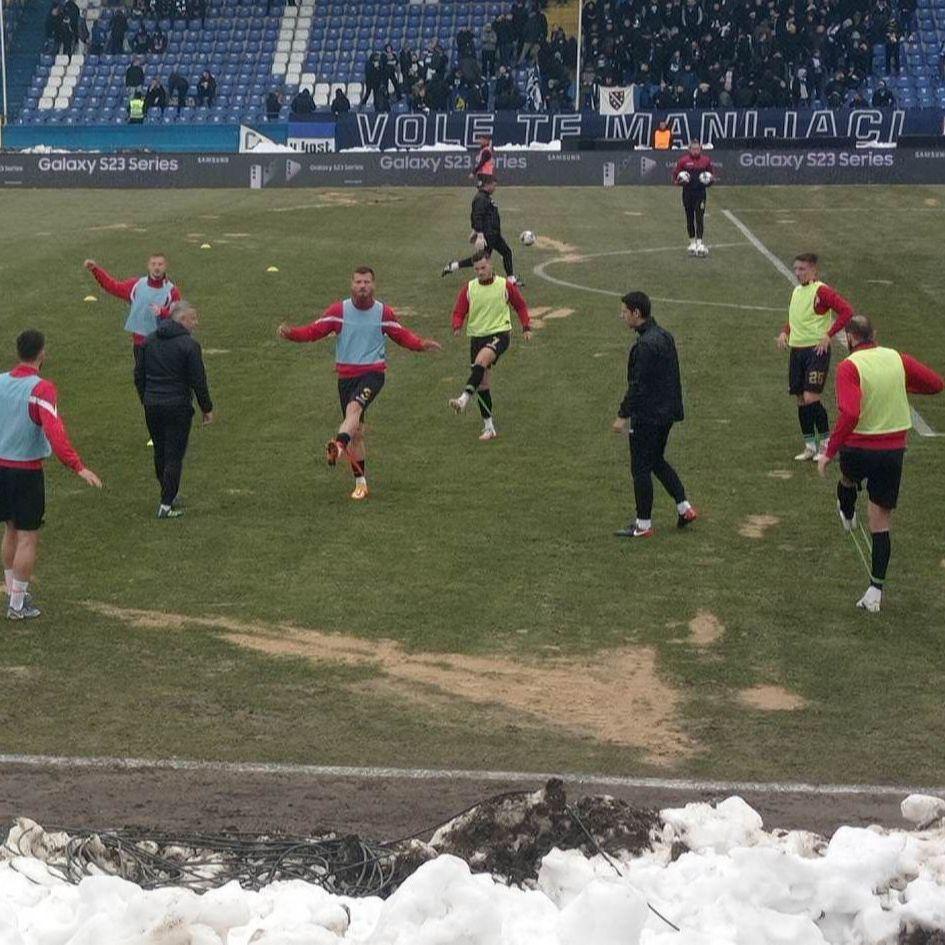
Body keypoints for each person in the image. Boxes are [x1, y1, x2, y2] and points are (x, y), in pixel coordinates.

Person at [277, 267, 442, 500]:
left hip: (373, 374)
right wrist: (291, 333)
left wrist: (421, 344)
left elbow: (401, 335)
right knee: (357, 431)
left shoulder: (383, 312)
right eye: (358, 282)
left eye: (366, 282)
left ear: (373, 285)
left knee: (354, 409)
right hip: (345, 378)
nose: (362, 286)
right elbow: (315, 331)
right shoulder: (339, 311)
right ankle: (360, 483)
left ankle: (339, 445)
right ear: (351, 284)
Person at [818, 315, 943, 612]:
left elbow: (849, 413)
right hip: (892, 452)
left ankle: (847, 512)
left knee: (847, 481)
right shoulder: (897, 359)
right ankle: (875, 591)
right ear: (874, 334)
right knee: (880, 522)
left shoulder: (849, 366)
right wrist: (902, 386)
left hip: (858, 448)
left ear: (849, 338)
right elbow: (936, 384)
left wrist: (829, 451)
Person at [1, 330, 103, 619]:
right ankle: (17, 605)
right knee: (28, 538)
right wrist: (78, 466)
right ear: (42, 353)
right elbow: (54, 432)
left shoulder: (0, 382)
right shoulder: (41, 388)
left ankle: (12, 591)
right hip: (25, 473)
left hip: (1, 467)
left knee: (10, 529)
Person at [612, 292, 696, 538]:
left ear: (636, 313)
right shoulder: (664, 336)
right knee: (656, 460)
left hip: (648, 415)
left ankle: (643, 524)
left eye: (624, 311)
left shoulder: (645, 345)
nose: (622, 316)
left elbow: (638, 385)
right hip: (667, 412)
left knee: (640, 468)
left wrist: (622, 415)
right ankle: (684, 507)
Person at [134, 301, 214, 519]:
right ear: (181, 320)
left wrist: (146, 398)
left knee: (160, 449)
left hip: (152, 405)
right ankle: (167, 503)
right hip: (177, 406)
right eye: (193, 318)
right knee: (174, 455)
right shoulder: (189, 345)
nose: (196, 323)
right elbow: (198, 380)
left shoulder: (148, 341)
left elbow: (138, 374)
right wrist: (206, 408)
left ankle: (168, 492)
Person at [776, 253, 854, 462]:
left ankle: (827, 444)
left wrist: (828, 335)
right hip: (797, 351)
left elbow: (847, 311)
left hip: (815, 351)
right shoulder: (797, 291)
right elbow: (796, 317)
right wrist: (785, 331)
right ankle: (810, 444)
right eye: (796, 269)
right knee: (801, 398)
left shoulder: (822, 291)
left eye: (802, 269)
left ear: (813, 270)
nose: (798, 273)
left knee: (811, 397)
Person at [447, 253, 531, 441]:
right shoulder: (469, 288)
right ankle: (489, 427)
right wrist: (457, 324)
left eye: (483, 268)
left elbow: (521, 306)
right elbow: (459, 310)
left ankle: (463, 399)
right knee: (482, 384)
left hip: (499, 334)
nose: (480, 272)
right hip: (476, 337)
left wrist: (526, 326)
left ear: (491, 265)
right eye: (476, 269)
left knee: (481, 360)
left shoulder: (504, 285)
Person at [83, 255, 181, 405]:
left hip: (161, 343)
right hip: (140, 343)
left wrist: (163, 313)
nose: (157, 267)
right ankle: (149, 405)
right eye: (153, 264)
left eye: (160, 264)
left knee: (161, 377)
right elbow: (112, 286)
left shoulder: (172, 291)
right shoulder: (137, 285)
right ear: (148, 266)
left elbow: (178, 317)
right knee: (140, 377)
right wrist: (95, 270)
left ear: (165, 266)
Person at [441, 176, 518, 284]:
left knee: (506, 252)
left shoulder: (485, 197)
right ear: (488, 185)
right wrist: (480, 235)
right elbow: (477, 216)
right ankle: (453, 266)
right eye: (494, 185)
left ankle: (511, 278)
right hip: (488, 235)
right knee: (482, 259)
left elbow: (481, 216)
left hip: (494, 234)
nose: (495, 188)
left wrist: (475, 231)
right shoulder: (481, 198)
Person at [673, 140, 715, 257]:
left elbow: (712, 177)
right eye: (693, 149)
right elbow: (676, 177)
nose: (696, 151)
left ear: (700, 149)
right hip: (687, 194)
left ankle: (699, 243)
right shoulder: (683, 161)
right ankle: (692, 242)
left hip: (700, 194)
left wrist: (708, 182)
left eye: (697, 149)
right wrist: (680, 182)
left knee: (699, 218)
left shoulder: (706, 161)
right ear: (689, 149)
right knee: (689, 217)